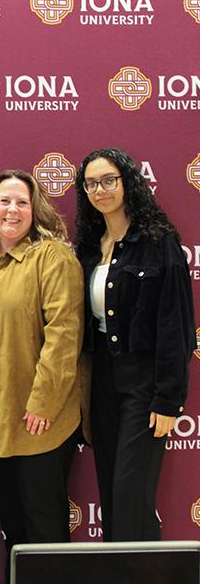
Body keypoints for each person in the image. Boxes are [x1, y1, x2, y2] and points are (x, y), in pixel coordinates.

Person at [0, 170, 84, 584]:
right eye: (4, 201)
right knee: (14, 531)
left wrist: (43, 403)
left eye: (21, 202)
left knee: (44, 531)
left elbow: (64, 334)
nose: (12, 210)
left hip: (37, 418)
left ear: (35, 210)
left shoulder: (52, 258)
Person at [75, 147, 194, 541]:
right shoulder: (90, 249)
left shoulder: (158, 242)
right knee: (111, 493)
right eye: (91, 183)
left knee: (131, 494)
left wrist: (168, 399)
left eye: (109, 180)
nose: (100, 189)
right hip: (103, 382)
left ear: (128, 182)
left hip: (144, 385)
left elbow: (176, 325)